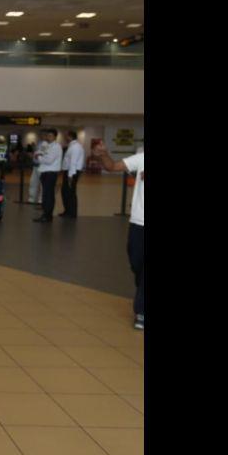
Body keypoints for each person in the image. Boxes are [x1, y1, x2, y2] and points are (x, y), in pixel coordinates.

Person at [93, 141, 144, 330]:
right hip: (138, 222)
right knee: (137, 263)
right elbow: (112, 167)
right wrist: (104, 154)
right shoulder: (142, 158)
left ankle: (141, 312)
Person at [32, 128, 63, 223]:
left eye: (50, 136)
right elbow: (37, 154)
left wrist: (40, 156)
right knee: (45, 195)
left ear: (55, 137)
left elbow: (49, 161)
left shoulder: (56, 147)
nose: (48, 137)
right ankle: (45, 214)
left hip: (51, 173)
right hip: (44, 172)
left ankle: (48, 216)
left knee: (48, 195)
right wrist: (39, 156)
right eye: (47, 136)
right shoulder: (46, 145)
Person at [60, 130, 85, 218]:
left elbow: (73, 162)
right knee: (65, 192)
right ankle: (67, 211)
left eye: (67, 136)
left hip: (72, 172)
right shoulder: (72, 146)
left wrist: (70, 175)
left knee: (70, 193)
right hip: (69, 171)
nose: (65, 138)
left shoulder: (75, 147)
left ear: (70, 136)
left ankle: (72, 213)